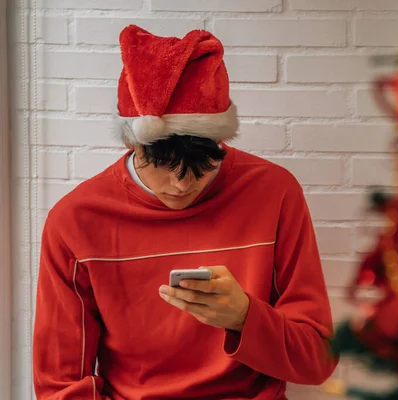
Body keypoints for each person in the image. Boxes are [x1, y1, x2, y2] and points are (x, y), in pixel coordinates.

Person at [32, 25, 337, 400]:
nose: (180, 185)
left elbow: (318, 361)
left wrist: (244, 317)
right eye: (161, 164)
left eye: (200, 167)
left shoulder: (274, 193)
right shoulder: (76, 220)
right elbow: (59, 387)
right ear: (134, 142)